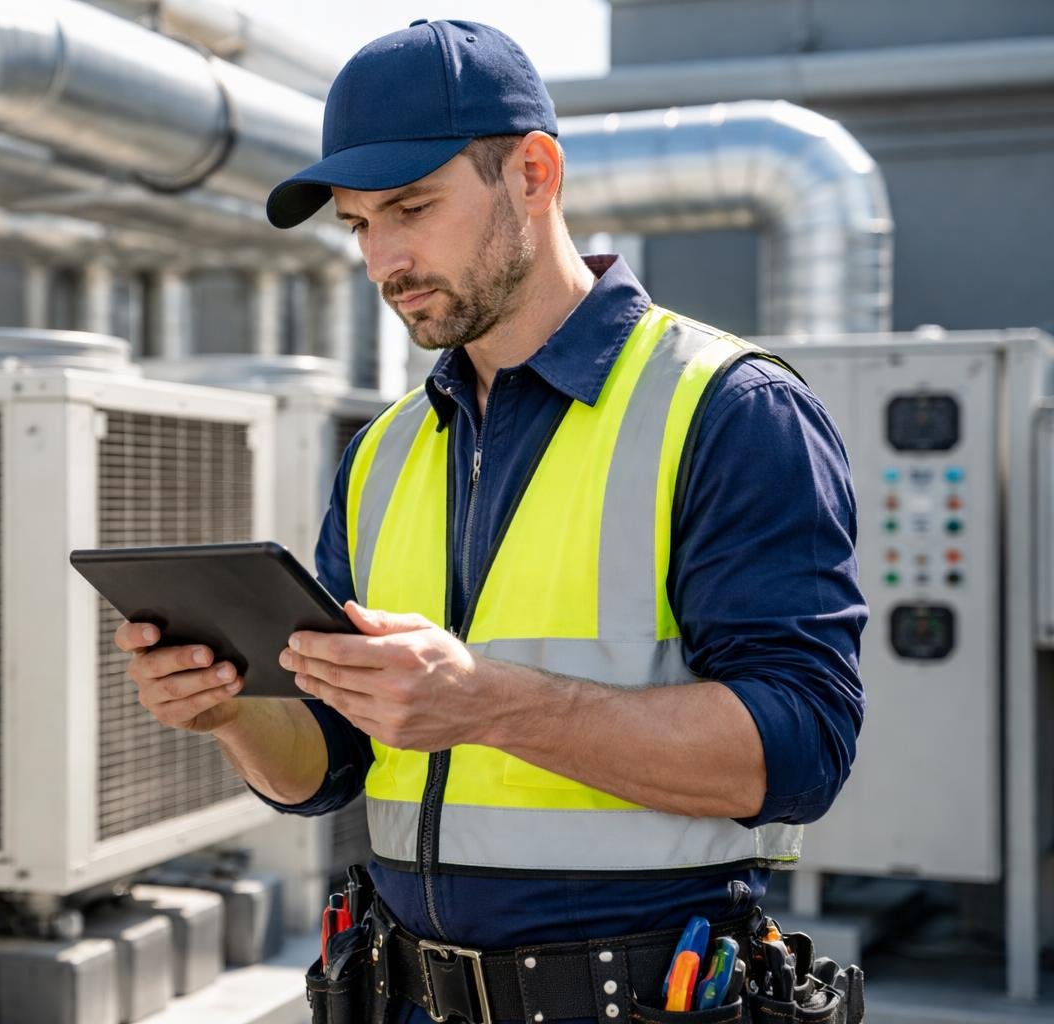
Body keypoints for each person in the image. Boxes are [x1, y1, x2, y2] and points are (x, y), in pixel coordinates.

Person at [114, 19, 865, 1024]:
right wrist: (230, 714)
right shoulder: (383, 453)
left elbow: (805, 747)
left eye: (412, 208)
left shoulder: (729, 410)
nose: (384, 259)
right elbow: (329, 765)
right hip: (401, 995)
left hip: (643, 999)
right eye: (358, 225)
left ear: (533, 174)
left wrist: (489, 704)